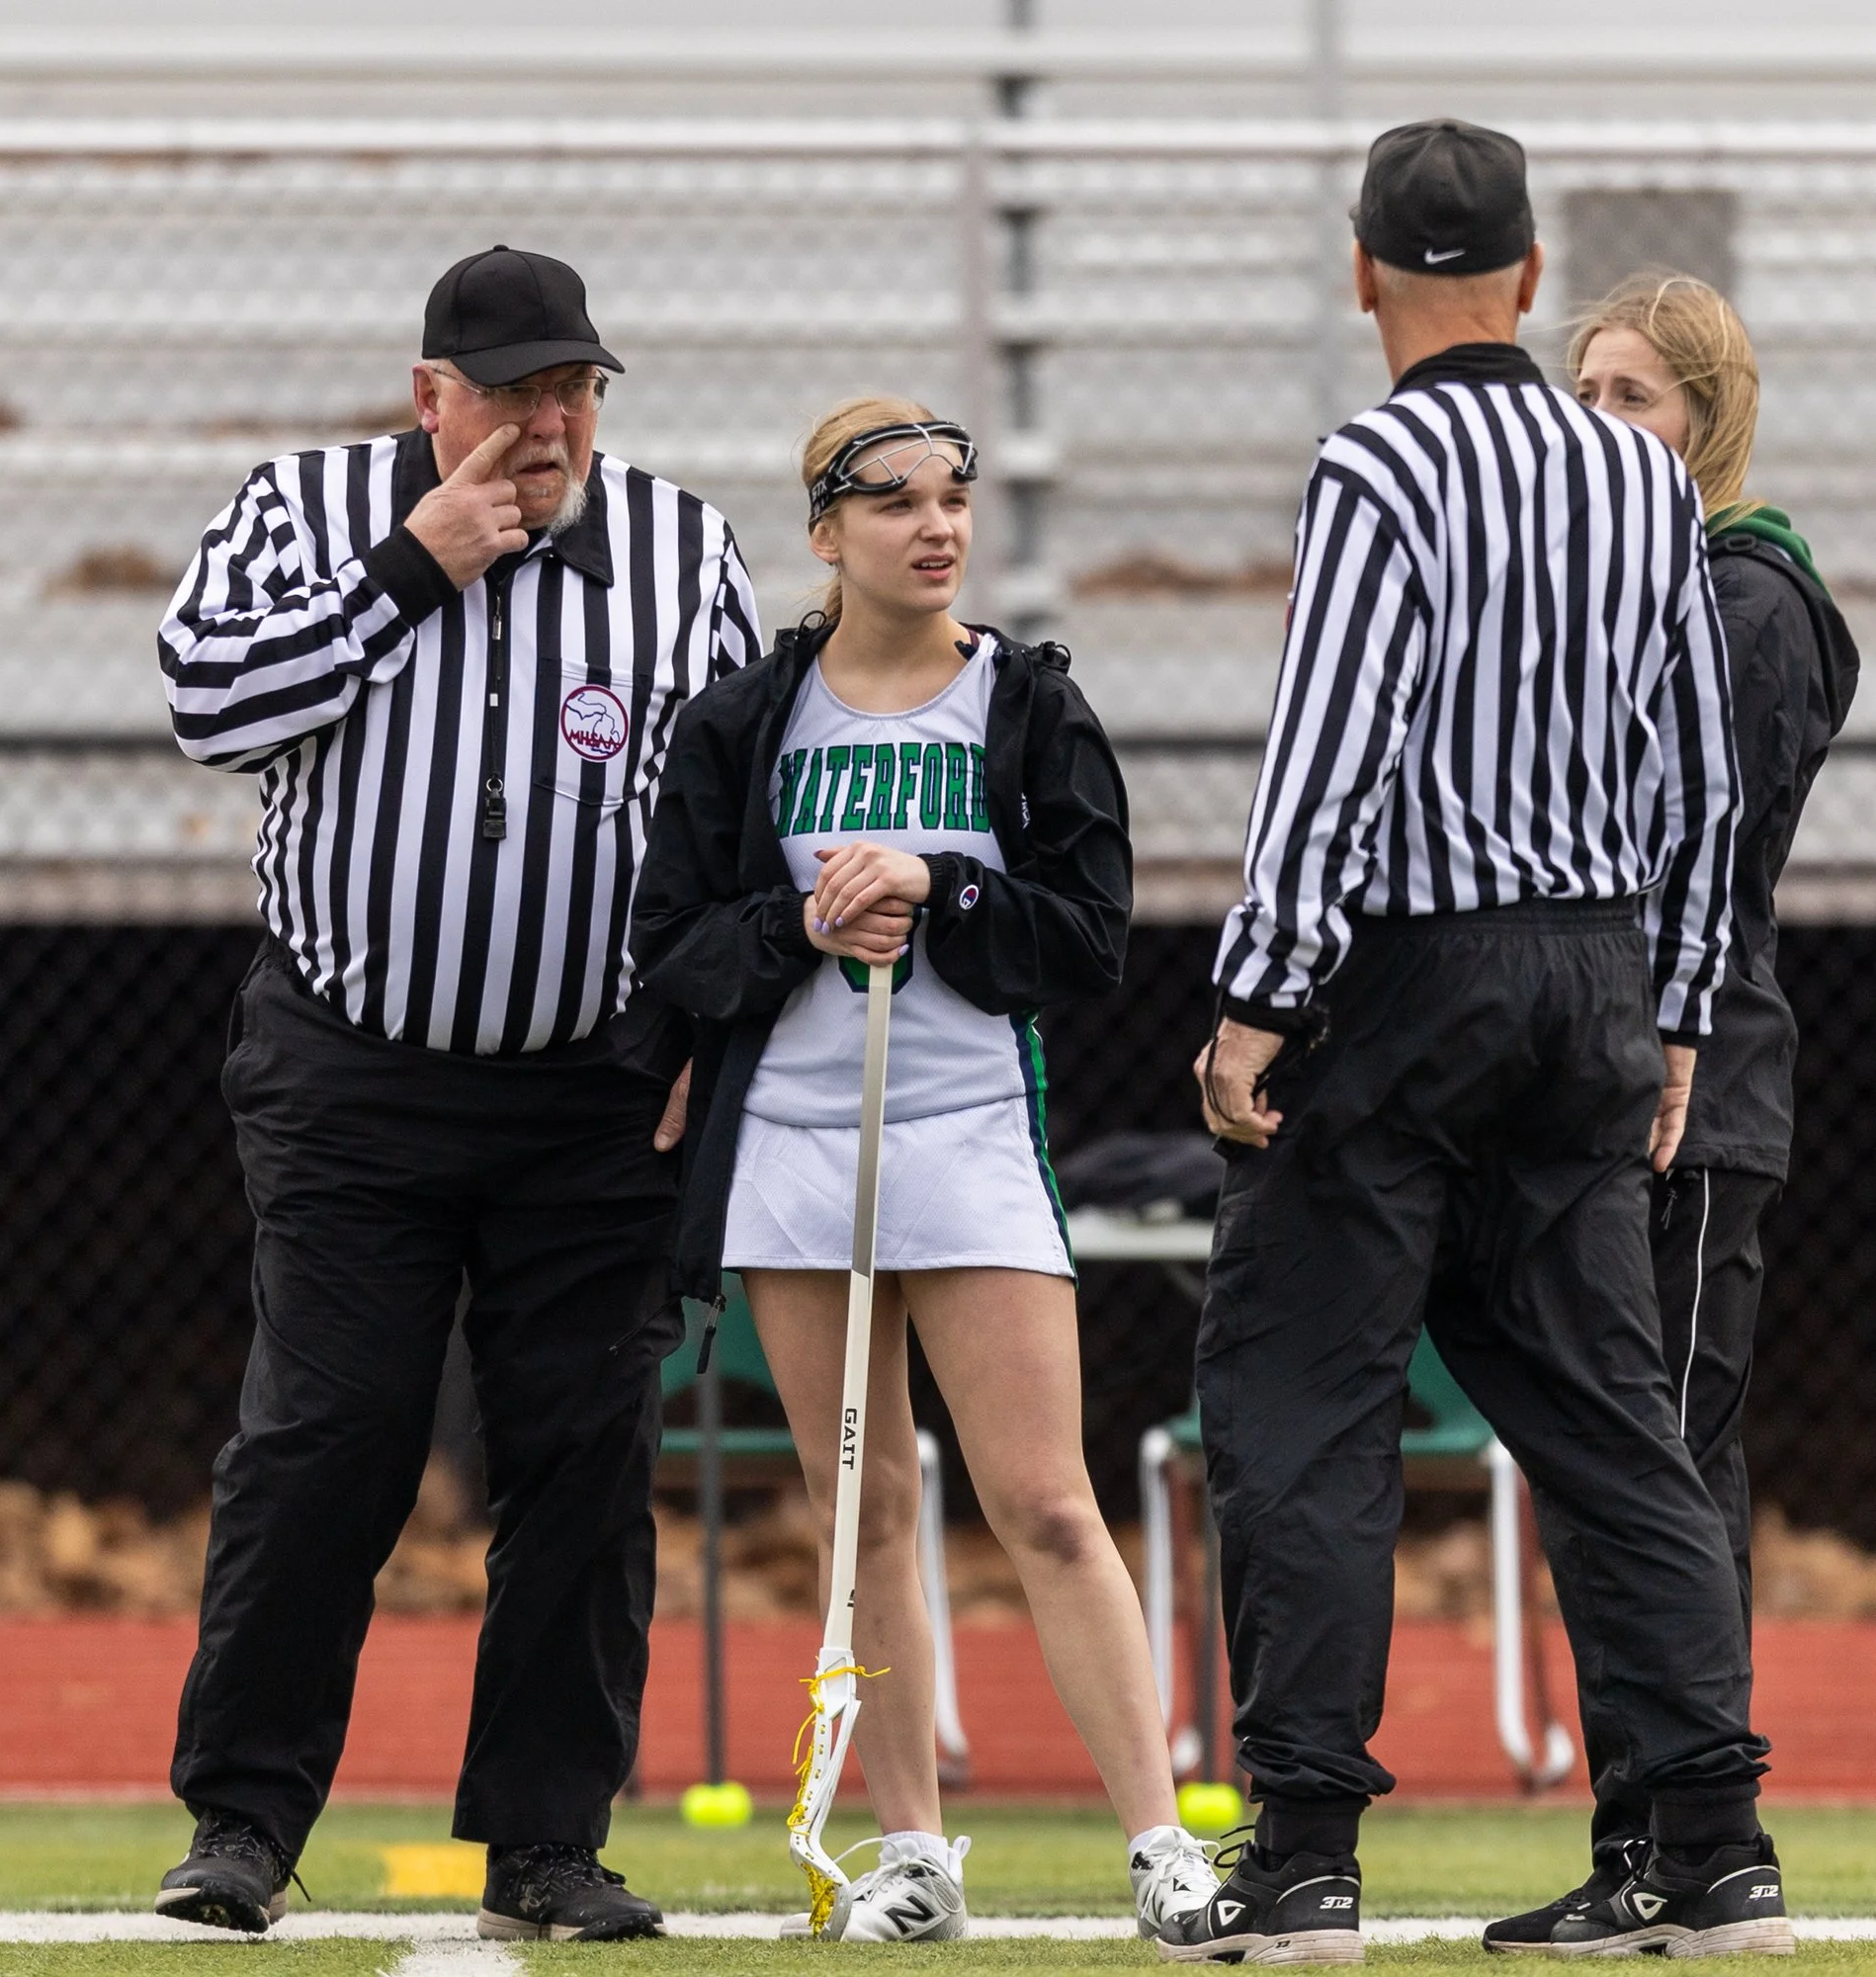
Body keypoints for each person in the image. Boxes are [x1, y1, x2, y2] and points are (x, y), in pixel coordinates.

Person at [1173, 122, 1788, 1962]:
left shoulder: (1377, 465)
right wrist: (1677, 1008)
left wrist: (1259, 994)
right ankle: (1714, 1844)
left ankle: (1304, 1854)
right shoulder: (1638, 476)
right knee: (1613, 1423)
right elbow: (1697, 772)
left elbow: (1334, 742)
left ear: (1362, 271)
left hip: (1408, 977)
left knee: (1305, 1401)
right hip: (1593, 971)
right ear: (1528, 277)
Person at [152, 246, 760, 1941]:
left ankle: (547, 1842)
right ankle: (243, 1822)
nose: (546, 422)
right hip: (355, 1068)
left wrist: (708, 1022)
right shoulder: (299, 509)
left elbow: (728, 813)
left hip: (597, 1087)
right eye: (510, 391)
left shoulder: (682, 546)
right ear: (431, 396)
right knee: (326, 1440)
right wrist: (408, 573)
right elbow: (207, 706)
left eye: (573, 389)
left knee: (584, 1460)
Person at [631, 396, 1219, 1944]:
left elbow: (1089, 935)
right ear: (827, 533)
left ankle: (1161, 1845)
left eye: (953, 495)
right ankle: (912, 1854)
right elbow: (676, 943)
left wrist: (944, 885)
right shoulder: (747, 720)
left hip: (966, 1132)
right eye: (893, 501)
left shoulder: (1025, 705)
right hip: (795, 1145)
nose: (936, 523)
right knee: (866, 1509)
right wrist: (801, 924)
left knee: (1046, 1500)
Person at [1479, 273, 1859, 1950]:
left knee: (1668, 1465)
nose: (1598, 423)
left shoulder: (1748, 593)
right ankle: (1644, 1844)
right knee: (1613, 1468)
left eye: (1633, 395)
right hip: (1605, 1069)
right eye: (1583, 392)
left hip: (1689, 1085)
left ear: (1709, 419)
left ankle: (1706, 1843)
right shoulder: (1629, 584)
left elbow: (1697, 842)